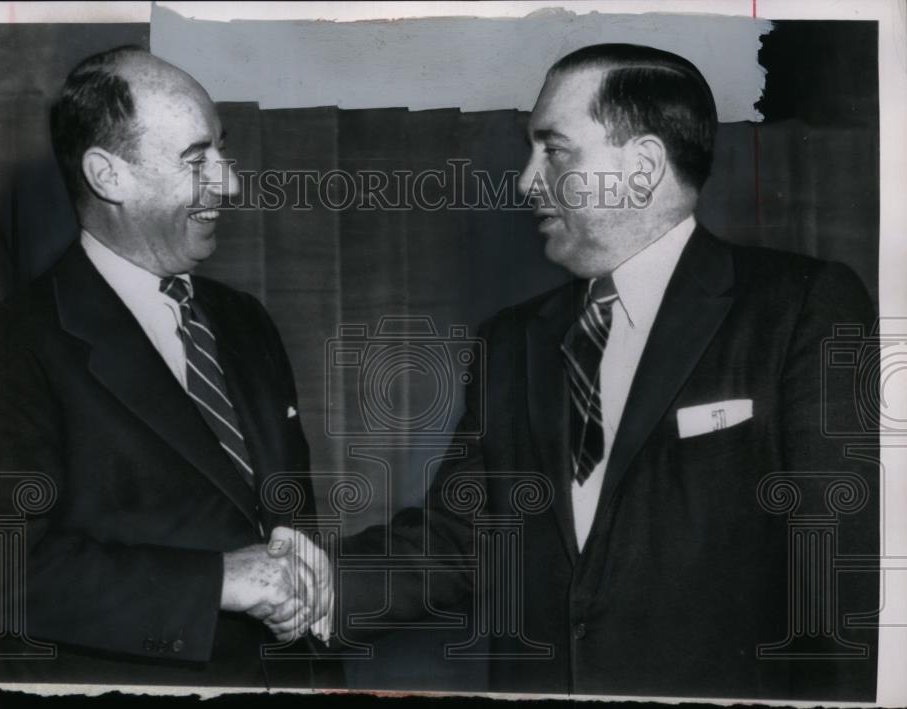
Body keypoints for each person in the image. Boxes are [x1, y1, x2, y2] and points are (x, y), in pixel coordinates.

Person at [339, 43, 879, 700]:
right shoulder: (514, 340)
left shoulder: (800, 307)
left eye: (555, 149)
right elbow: (464, 539)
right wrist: (303, 582)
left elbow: (839, 587)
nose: (526, 180)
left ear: (643, 166)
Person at [0, 46, 334, 688]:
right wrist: (219, 582)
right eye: (195, 159)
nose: (229, 182)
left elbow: (277, 514)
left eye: (222, 152)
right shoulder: (7, 347)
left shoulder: (244, 320)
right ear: (108, 176)